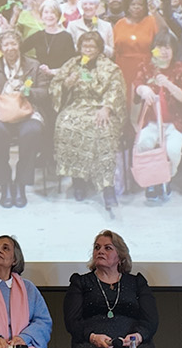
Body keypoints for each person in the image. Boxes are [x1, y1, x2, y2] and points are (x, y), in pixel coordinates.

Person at [51, 30, 127, 214]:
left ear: (100, 49)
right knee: (66, 124)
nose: (88, 50)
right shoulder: (72, 64)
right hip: (77, 105)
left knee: (103, 129)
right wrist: (66, 84)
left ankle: (107, 188)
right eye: (85, 46)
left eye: (92, 46)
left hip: (100, 107)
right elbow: (55, 84)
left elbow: (116, 89)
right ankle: (79, 181)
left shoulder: (110, 67)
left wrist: (107, 107)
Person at [0, 29, 48, 208]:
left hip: (28, 111)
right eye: (6, 44)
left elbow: (44, 92)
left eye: (14, 44)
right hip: (1, 113)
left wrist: (28, 91)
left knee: (32, 131)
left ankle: (21, 184)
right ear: (1, 48)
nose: (10, 48)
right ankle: (5, 184)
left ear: (19, 45)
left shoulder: (33, 65)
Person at [129, 32, 182, 204]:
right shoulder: (146, 67)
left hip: (176, 122)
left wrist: (168, 84)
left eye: (168, 47)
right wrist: (143, 89)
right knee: (144, 143)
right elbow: (136, 84)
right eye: (159, 47)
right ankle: (151, 181)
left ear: (173, 50)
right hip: (152, 121)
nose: (164, 51)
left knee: (172, 150)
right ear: (153, 50)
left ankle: (165, 178)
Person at [112, 0, 161, 93]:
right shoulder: (120, 24)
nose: (136, 7)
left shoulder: (151, 21)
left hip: (145, 66)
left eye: (140, 4)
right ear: (127, 6)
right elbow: (114, 48)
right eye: (133, 4)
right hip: (123, 67)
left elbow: (162, 39)